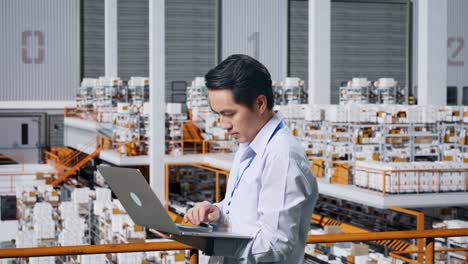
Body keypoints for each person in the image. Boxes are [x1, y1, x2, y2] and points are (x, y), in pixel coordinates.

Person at [156, 54, 318, 263]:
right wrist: (218, 213)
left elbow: (275, 246)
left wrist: (207, 243)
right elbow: (246, 214)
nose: (223, 124)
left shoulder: (281, 157)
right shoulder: (249, 144)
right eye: (219, 115)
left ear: (260, 103)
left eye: (229, 114)